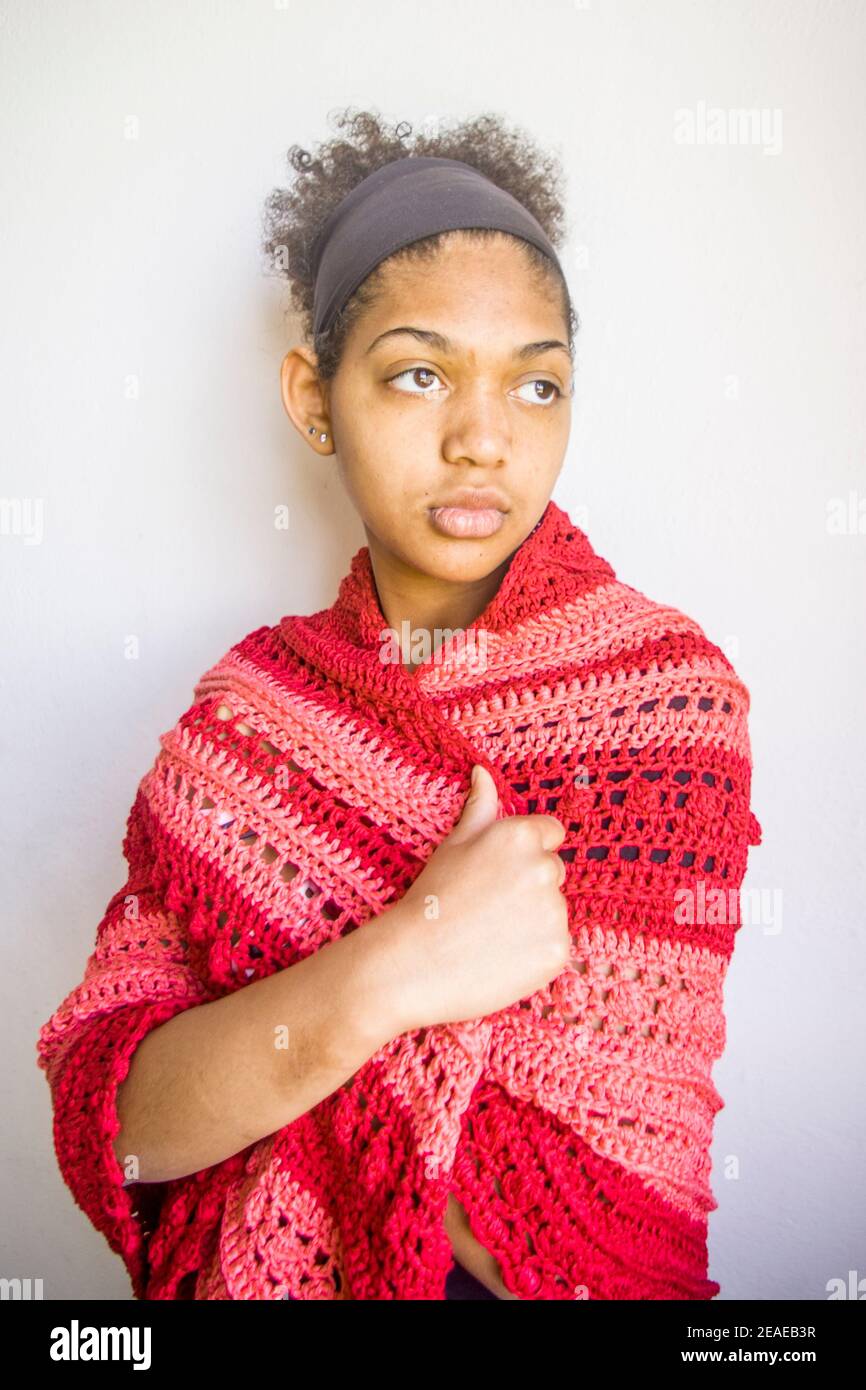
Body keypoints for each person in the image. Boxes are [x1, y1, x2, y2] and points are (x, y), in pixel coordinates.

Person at [36, 106, 762, 1301]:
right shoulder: (245, 728)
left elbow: (605, 1183)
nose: (482, 438)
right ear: (313, 397)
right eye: (420, 374)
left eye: (535, 386)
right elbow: (124, 1128)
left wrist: (291, 1054)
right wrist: (402, 966)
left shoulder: (667, 711)